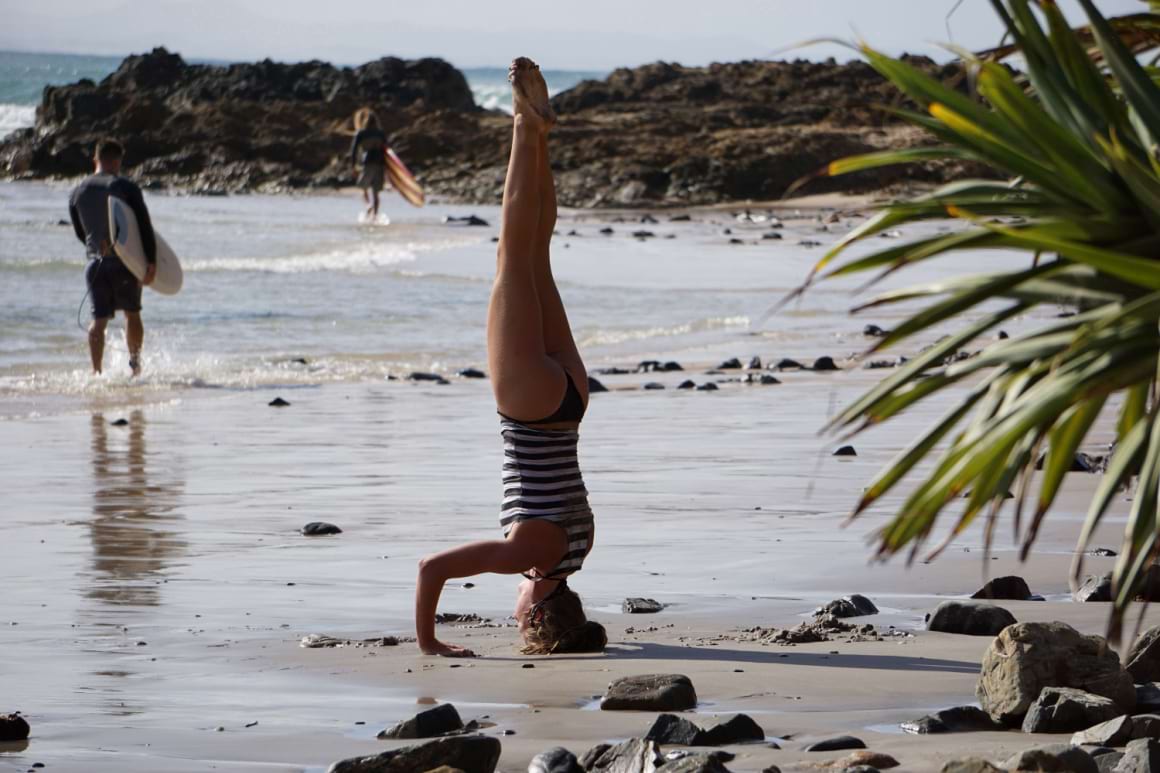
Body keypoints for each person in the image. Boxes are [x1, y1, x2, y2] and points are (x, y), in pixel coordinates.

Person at [414, 58, 606, 658]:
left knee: (537, 255)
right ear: (536, 615)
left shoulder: (578, 551)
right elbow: (431, 569)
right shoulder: (531, 557)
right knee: (512, 253)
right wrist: (430, 643)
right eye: (520, 617)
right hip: (529, 403)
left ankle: (541, 132)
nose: (512, 610)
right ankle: (525, 124)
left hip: (572, 401)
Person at [68, 139, 156, 376]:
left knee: (98, 320)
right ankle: (135, 368)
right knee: (132, 314)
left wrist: (98, 247)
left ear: (95, 160)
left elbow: (80, 232)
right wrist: (150, 262)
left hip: (95, 262)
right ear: (118, 160)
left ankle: (96, 373)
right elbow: (143, 227)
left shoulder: (77, 191)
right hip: (126, 263)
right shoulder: (125, 187)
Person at [349, 107, 388, 220]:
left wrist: (353, 166)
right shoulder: (381, 134)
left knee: (363, 188)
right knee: (376, 192)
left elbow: (354, 151)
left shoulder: (361, 133)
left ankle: (368, 205)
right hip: (380, 164)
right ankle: (375, 216)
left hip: (368, 163)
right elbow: (387, 150)